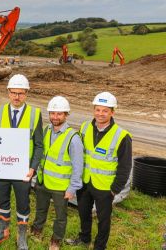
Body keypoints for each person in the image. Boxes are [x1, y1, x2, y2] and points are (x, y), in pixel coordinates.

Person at [66, 92, 132, 250]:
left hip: (105, 187)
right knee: (83, 213)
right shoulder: (84, 127)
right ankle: (84, 238)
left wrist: (115, 189)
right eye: (98, 110)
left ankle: (99, 246)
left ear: (112, 112)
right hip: (85, 181)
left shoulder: (122, 136)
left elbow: (125, 166)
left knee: (103, 220)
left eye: (105, 111)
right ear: (93, 110)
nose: (100, 114)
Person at [0, 74, 43, 250]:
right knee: (2, 201)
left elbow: (39, 145)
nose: (17, 97)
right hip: (2, 168)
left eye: (21, 93)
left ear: (26, 93)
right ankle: (2, 231)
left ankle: (22, 236)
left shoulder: (35, 114)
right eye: (13, 93)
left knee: (23, 203)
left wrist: (33, 168)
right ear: (8, 92)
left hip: (22, 171)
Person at [30, 96, 84, 250]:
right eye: (52, 113)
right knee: (40, 209)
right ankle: (37, 230)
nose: (55, 117)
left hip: (61, 187)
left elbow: (78, 166)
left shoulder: (73, 138)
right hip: (43, 181)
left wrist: (72, 188)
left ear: (66, 115)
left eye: (59, 114)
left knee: (60, 217)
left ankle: (56, 240)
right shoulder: (46, 130)